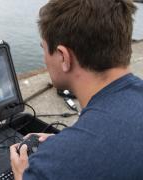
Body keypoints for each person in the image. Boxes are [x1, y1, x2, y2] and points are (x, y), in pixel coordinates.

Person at [10, 0, 143, 179]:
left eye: (44, 49)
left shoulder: (52, 168)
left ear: (64, 57)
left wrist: (23, 174)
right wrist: (69, 141)